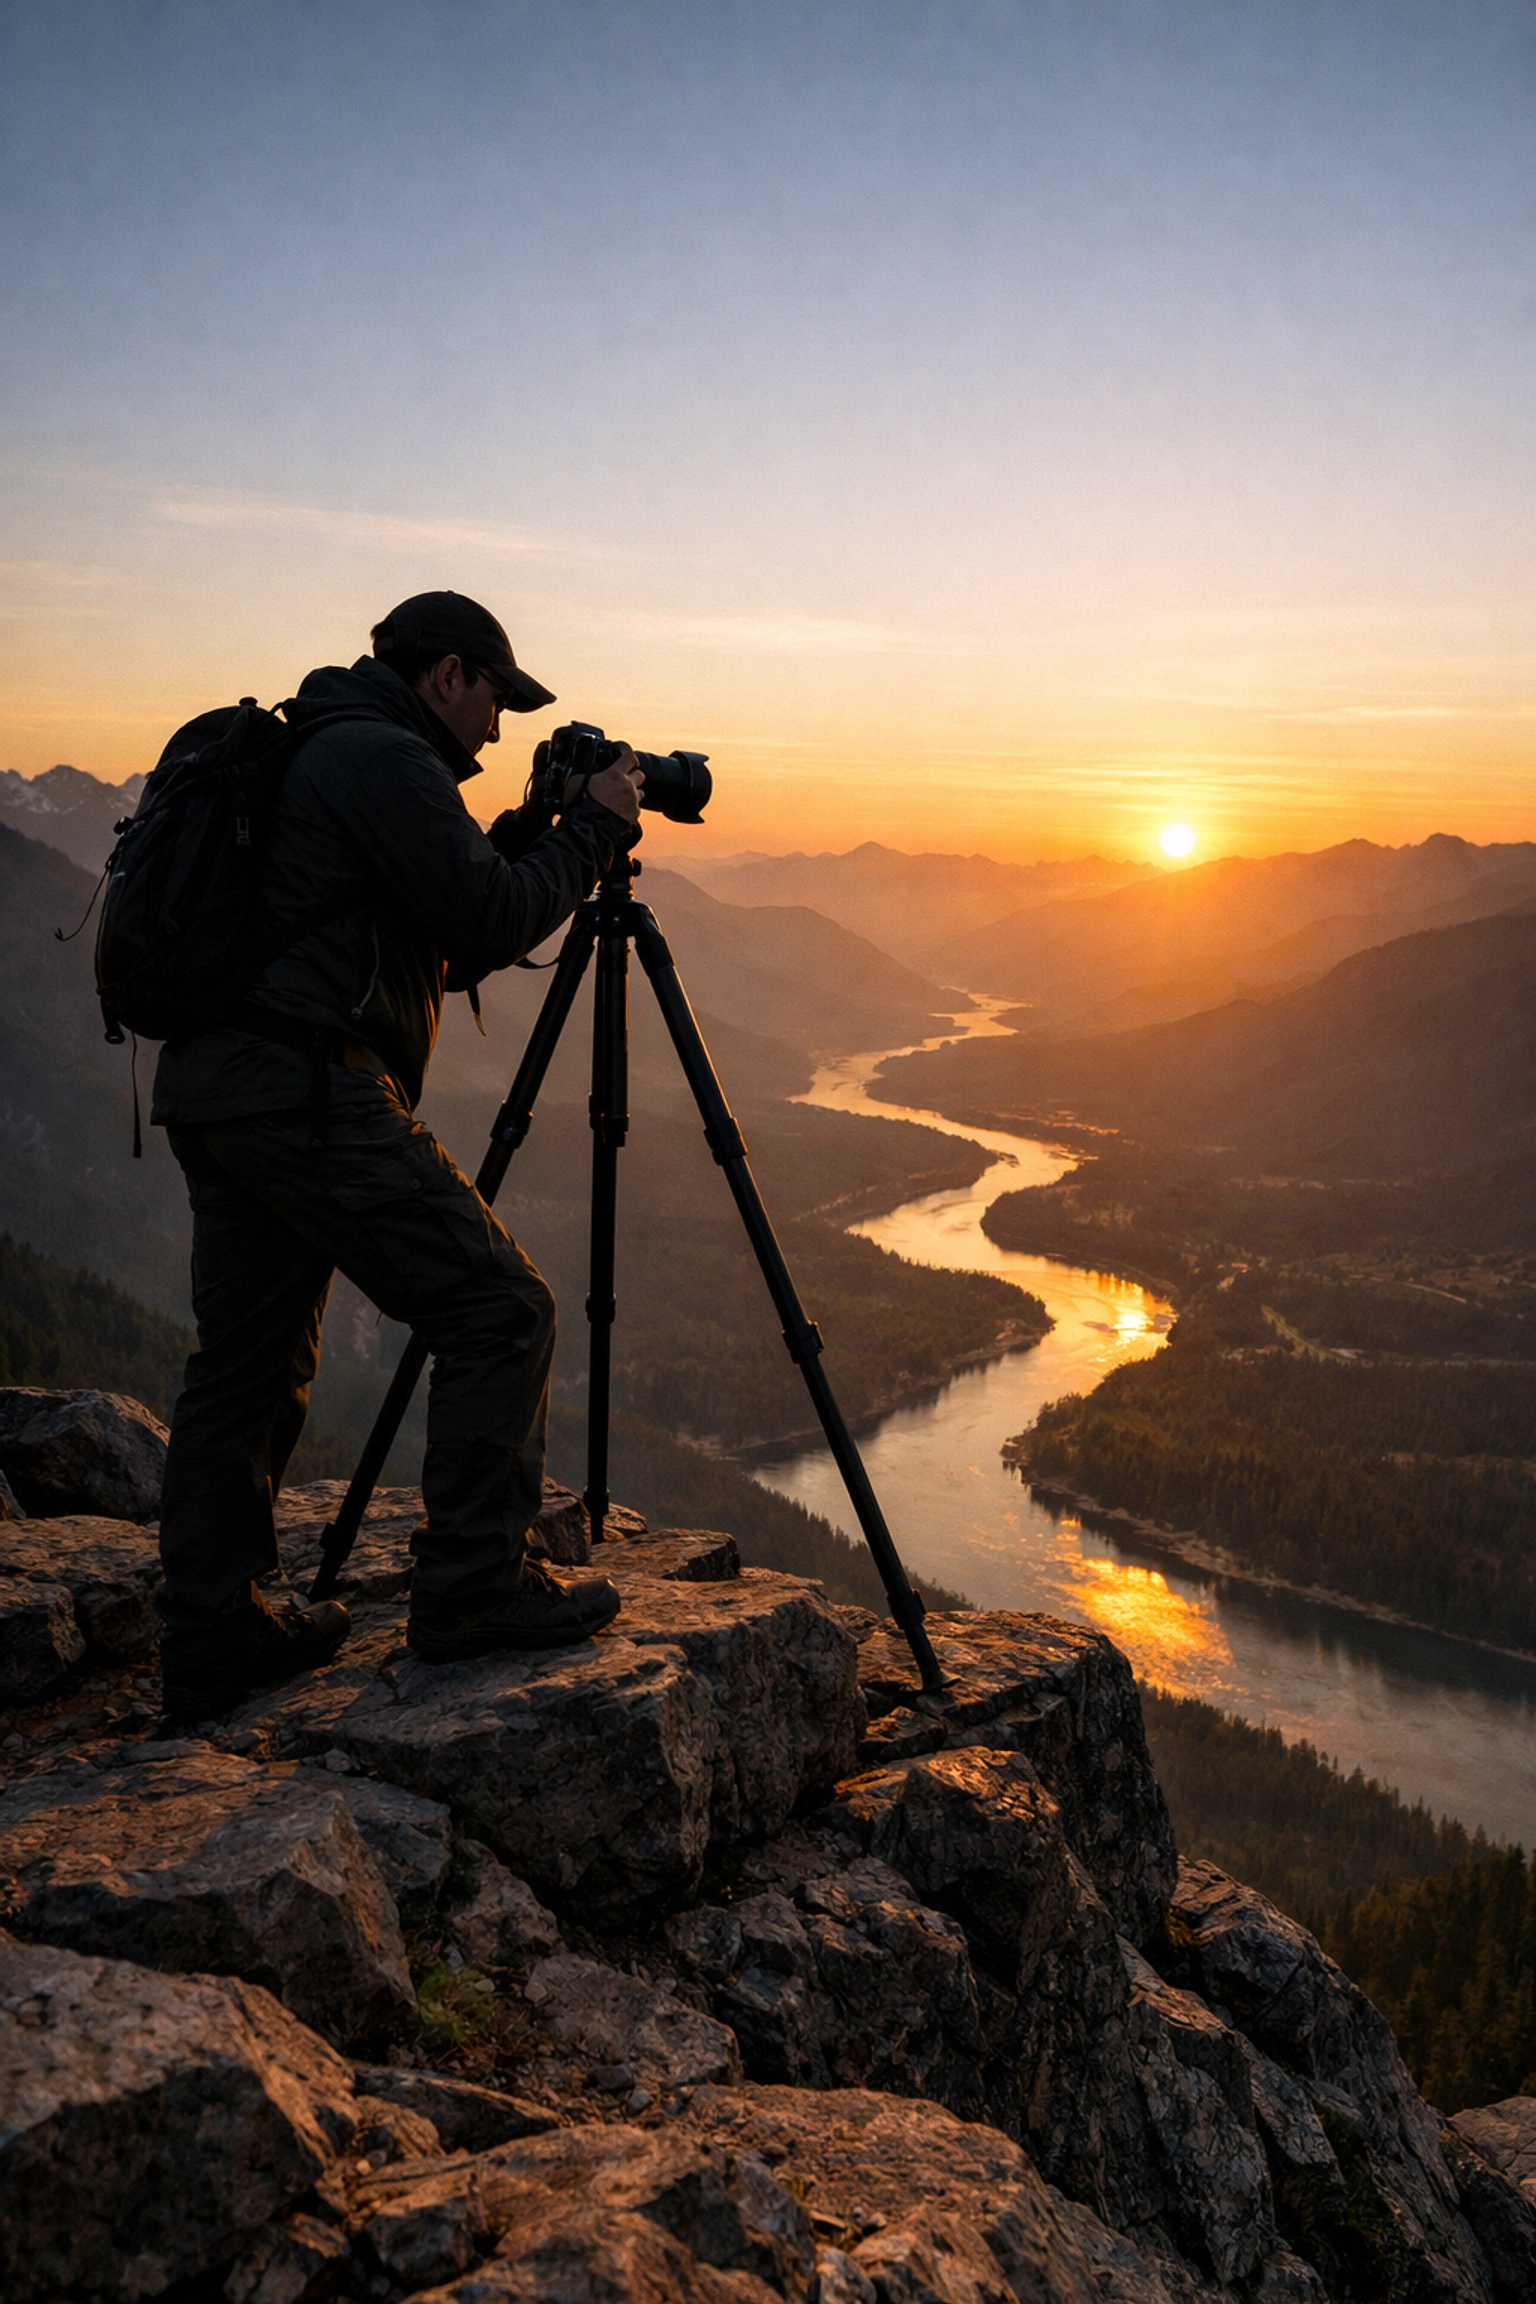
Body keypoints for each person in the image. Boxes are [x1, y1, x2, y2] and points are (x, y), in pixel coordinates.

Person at [150, 591, 642, 1721]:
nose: (499, 732)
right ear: (448, 675)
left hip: (224, 1088)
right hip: (303, 1089)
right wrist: (593, 831)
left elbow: (436, 928)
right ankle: (473, 1587)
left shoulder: (331, 743)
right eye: (495, 702)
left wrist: (529, 838)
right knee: (499, 1306)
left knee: (248, 1364)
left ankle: (214, 1631)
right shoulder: (383, 759)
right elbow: (483, 926)